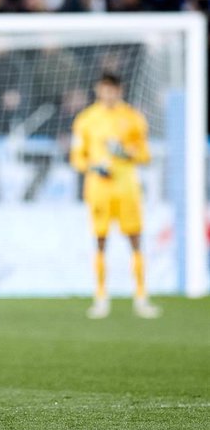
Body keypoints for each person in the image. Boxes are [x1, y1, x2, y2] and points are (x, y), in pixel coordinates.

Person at [70, 72, 160, 319]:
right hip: (99, 190)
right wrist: (93, 167)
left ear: (120, 90)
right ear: (98, 90)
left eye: (112, 89)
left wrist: (125, 153)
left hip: (127, 188)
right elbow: (77, 157)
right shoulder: (86, 119)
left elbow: (145, 155)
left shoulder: (132, 117)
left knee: (135, 239)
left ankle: (141, 297)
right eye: (103, 89)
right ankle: (100, 298)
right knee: (100, 241)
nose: (108, 94)